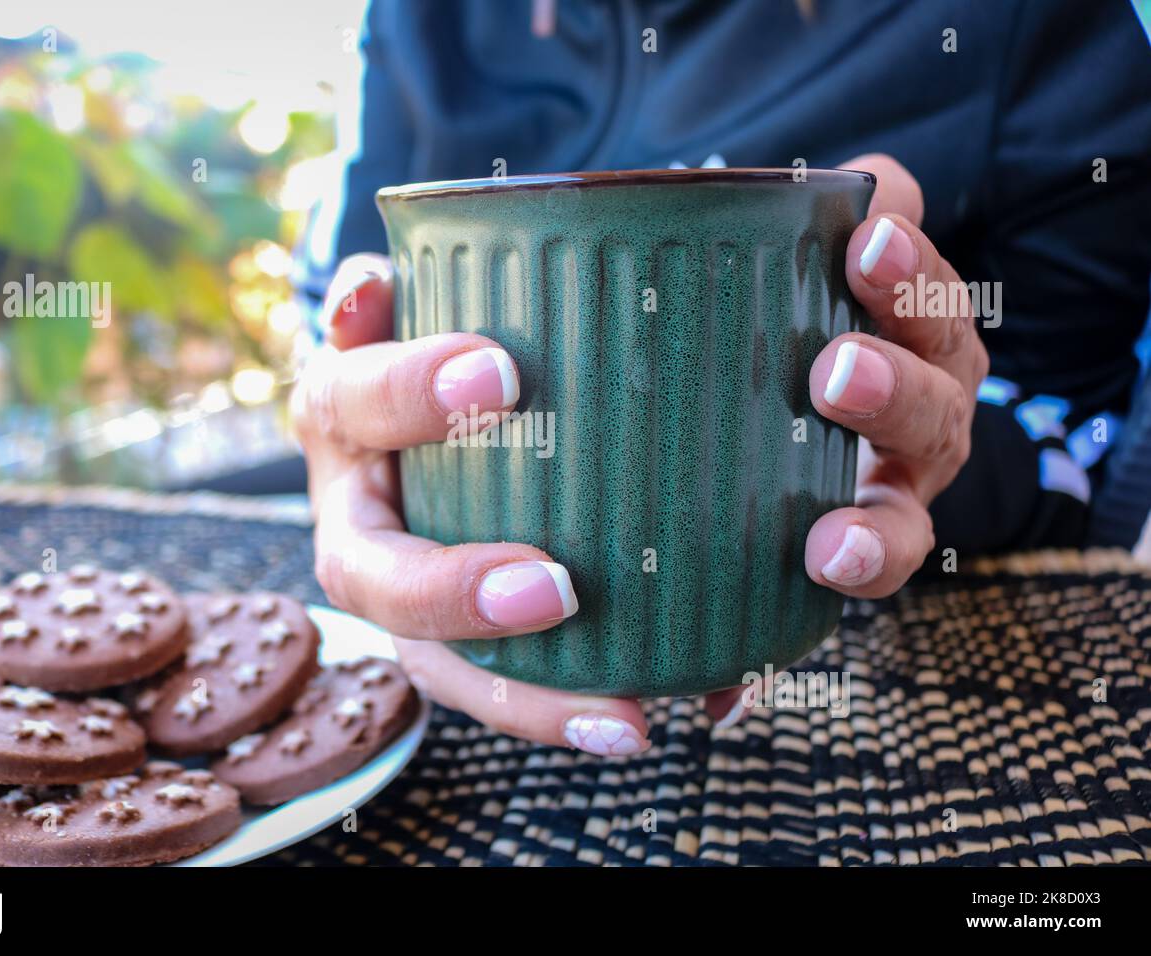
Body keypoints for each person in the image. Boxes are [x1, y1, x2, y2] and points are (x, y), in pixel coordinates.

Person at [289, 0, 1151, 755]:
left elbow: (1086, 409)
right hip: (464, 627)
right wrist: (340, 442)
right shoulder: (415, 16)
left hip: (934, 626)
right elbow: (340, 313)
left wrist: (916, 455)